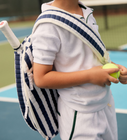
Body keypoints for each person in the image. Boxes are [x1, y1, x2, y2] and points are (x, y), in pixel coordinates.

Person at [32, 0, 127, 140]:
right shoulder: (47, 25)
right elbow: (41, 78)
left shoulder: (87, 11)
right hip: (80, 113)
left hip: (106, 102)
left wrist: (114, 67)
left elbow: (94, 56)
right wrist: (90, 76)